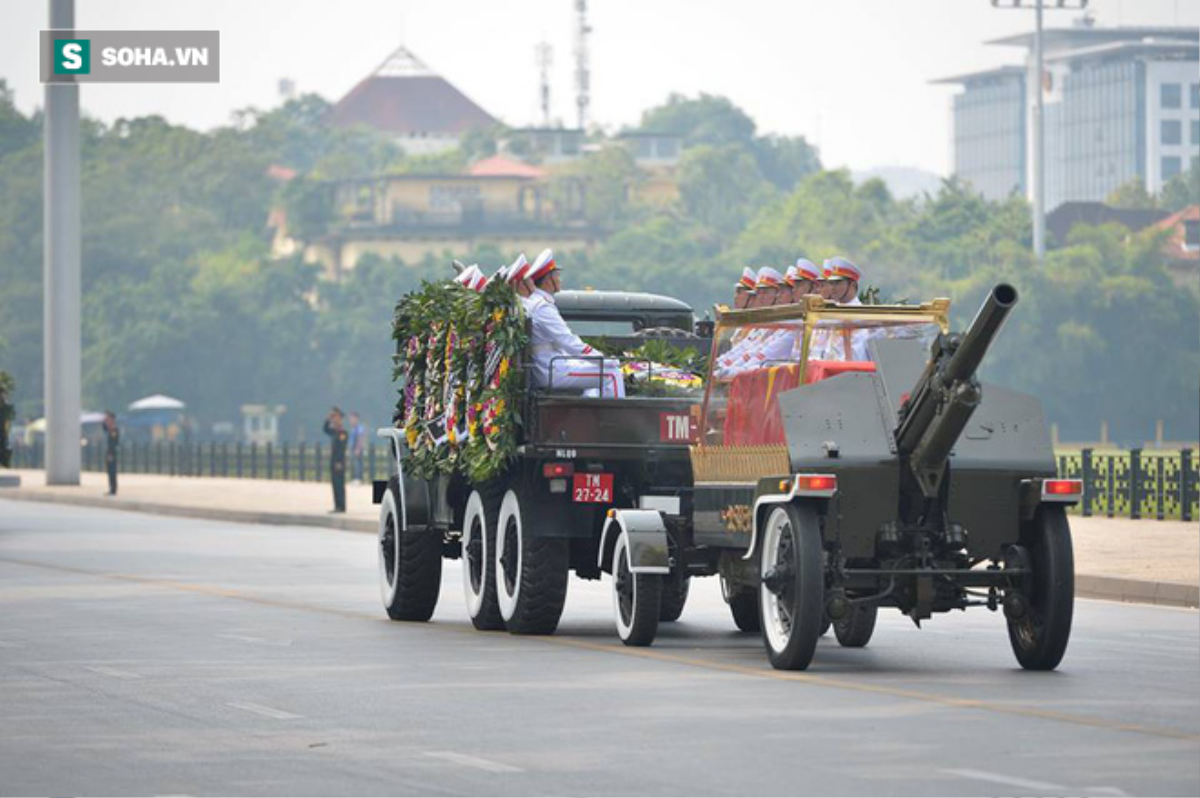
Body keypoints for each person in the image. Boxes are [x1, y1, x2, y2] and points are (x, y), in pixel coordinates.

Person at [527, 248, 625, 398]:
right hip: (552, 368)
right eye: (557, 276)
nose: (560, 280)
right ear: (548, 280)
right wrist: (600, 358)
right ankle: (619, 420)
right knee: (611, 373)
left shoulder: (538, 303)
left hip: (551, 364)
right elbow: (568, 341)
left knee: (595, 375)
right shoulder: (542, 307)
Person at [323, 407, 348, 513]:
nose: (334, 420)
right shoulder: (334, 432)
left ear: (340, 419)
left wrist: (338, 462)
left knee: (339, 484)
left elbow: (341, 449)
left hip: (339, 462)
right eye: (333, 417)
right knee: (335, 484)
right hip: (333, 462)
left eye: (336, 417)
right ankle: (337, 505)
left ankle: (341, 506)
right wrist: (328, 419)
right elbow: (325, 429)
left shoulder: (343, 433)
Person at [103, 411, 119, 496]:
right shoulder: (109, 429)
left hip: (112, 453)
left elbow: (114, 443)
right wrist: (104, 420)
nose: (107, 420)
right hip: (109, 452)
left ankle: (113, 489)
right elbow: (104, 427)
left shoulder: (114, 430)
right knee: (109, 472)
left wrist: (111, 454)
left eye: (108, 419)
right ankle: (111, 488)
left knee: (112, 472)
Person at [348, 411, 366, 484]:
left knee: (357, 464)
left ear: (356, 419)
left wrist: (358, 448)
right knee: (354, 463)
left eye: (353, 419)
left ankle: (358, 478)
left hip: (357, 448)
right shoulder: (353, 428)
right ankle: (354, 478)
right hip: (353, 448)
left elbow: (360, 438)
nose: (351, 420)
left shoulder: (359, 428)